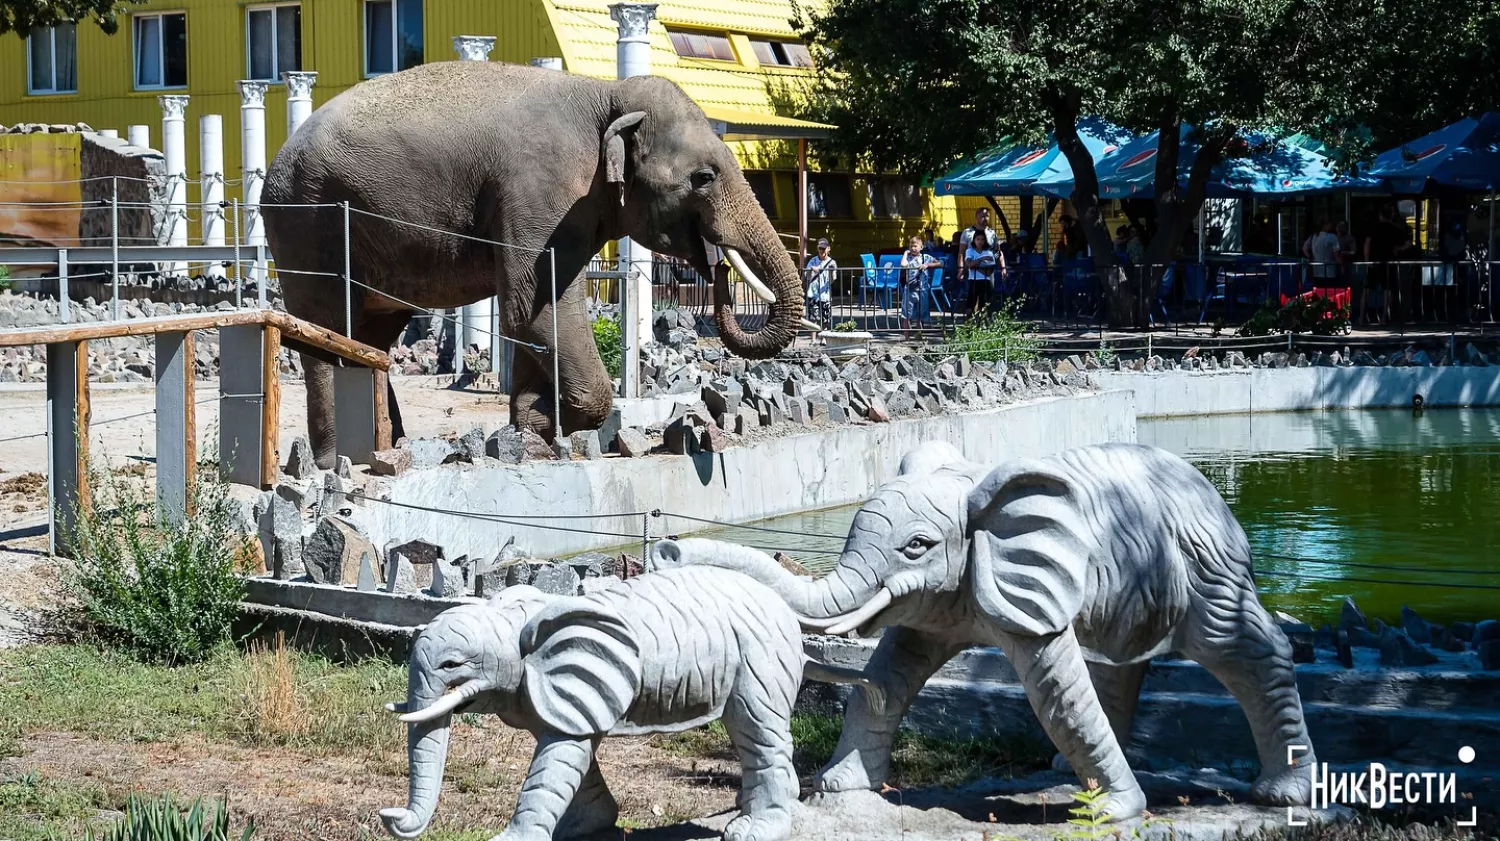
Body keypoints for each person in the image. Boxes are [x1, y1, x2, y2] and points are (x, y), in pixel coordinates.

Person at [900, 235, 941, 335]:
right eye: (911, 246)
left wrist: (927, 265)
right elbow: (903, 265)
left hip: (922, 289)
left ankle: (919, 334)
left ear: (921, 247)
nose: (913, 248)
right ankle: (906, 336)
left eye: (915, 246)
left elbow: (940, 263)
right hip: (910, 289)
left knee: (921, 314)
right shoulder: (908, 258)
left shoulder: (925, 257)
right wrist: (905, 253)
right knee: (907, 314)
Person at [803, 238, 836, 334]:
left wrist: (830, 272)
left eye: (824, 248)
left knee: (825, 318)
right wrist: (811, 269)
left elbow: (832, 280)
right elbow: (807, 277)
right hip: (813, 293)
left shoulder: (832, 262)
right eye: (820, 248)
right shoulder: (812, 261)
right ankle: (813, 339)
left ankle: (824, 337)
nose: (822, 251)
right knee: (813, 318)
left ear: (828, 249)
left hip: (825, 294)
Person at [964, 230, 999, 315]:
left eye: (982, 239)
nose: (980, 242)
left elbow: (989, 271)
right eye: (978, 239)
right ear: (974, 240)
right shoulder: (970, 251)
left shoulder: (988, 252)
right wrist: (981, 259)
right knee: (970, 305)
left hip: (985, 281)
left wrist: (975, 266)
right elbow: (969, 264)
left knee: (983, 306)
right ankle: (969, 323)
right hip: (973, 280)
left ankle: (982, 323)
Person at [1309, 219, 1340, 288]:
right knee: (1329, 291)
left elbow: (1304, 248)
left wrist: (1312, 257)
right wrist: (1341, 264)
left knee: (1319, 291)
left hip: (1316, 270)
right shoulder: (1332, 237)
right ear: (1325, 226)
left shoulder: (1313, 237)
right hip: (1329, 271)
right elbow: (1336, 254)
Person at [1335, 220, 1357, 284]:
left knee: (1346, 283)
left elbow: (1354, 252)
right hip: (1334, 265)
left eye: (1342, 226)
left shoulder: (1350, 238)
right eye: (1338, 226)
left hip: (1346, 265)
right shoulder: (1334, 238)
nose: (1339, 228)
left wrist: (1343, 253)